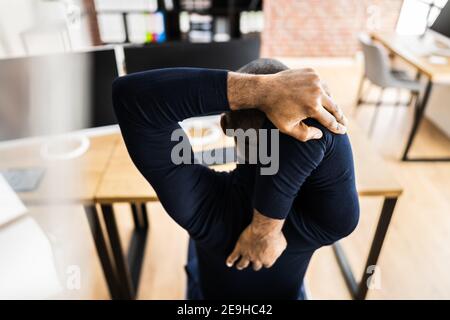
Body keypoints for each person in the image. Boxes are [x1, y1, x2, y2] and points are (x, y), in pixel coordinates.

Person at [112, 59, 359, 299]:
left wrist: (259, 92)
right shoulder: (329, 220)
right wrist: (265, 229)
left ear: (225, 124)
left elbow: (132, 98)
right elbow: (327, 134)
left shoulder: (202, 207)